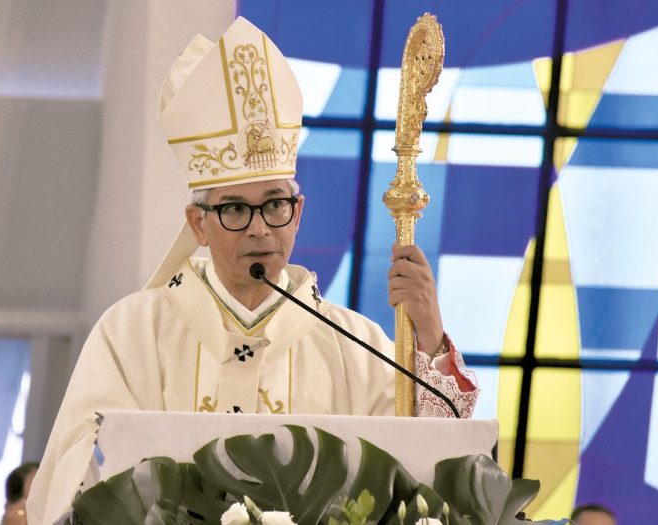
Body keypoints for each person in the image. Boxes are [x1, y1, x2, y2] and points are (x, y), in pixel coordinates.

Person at [27, 17, 478, 524]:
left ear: (298, 213)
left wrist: (429, 336)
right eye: (236, 209)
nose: (260, 228)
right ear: (198, 223)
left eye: (275, 205)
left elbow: (431, 472)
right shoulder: (133, 333)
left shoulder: (355, 345)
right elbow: (73, 473)